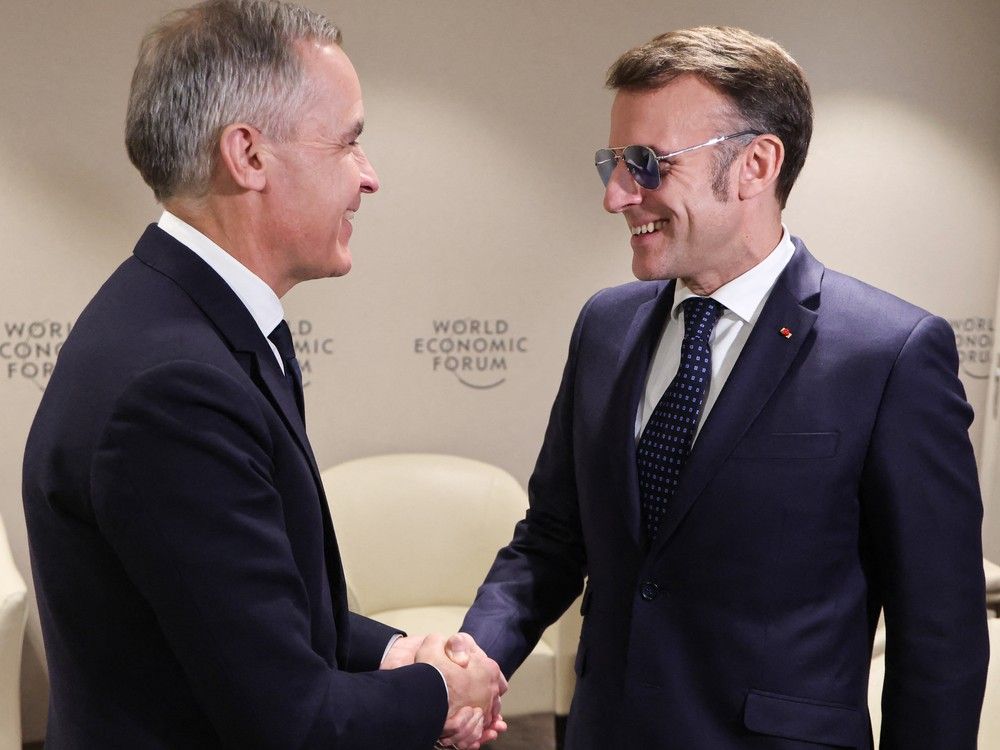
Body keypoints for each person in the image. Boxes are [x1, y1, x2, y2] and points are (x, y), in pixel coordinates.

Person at [461, 25, 989, 749]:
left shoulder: (891, 355)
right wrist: (469, 662)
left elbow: (940, 636)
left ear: (756, 164)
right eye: (612, 163)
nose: (617, 194)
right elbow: (553, 539)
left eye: (647, 164)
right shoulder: (605, 327)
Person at [21, 1, 505, 747]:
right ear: (247, 156)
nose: (369, 178)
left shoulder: (188, 323)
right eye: (349, 143)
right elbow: (293, 723)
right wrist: (442, 690)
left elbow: (253, 612)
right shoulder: (175, 387)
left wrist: (397, 654)